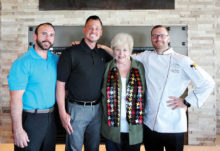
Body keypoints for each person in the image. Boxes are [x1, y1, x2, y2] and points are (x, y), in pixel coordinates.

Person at [133, 25, 215, 151]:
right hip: (150, 123)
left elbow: (207, 82)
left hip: (173, 123)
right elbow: (123, 57)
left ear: (168, 38)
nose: (158, 38)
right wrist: (104, 48)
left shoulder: (183, 60)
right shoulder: (146, 56)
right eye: (154, 35)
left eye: (162, 35)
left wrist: (187, 101)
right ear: (151, 38)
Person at [56, 15, 112, 151]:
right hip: (76, 110)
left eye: (97, 28)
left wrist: (103, 46)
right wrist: (63, 113)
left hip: (98, 109)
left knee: (93, 147)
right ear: (84, 29)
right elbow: (60, 85)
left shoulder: (102, 54)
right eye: (90, 27)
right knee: (74, 148)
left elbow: (122, 57)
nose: (94, 31)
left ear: (101, 32)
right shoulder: (70, 53)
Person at [7, 23, 59, 151]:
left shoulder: (56, 60)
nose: (48, 38)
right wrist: (17, 129)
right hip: (30, 119)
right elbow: (15, 99)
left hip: (51, 118)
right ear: (34, 36)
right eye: (44, 34)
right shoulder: (22, 62)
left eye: (51, 35)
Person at [101, 33, 146, 151]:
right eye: (117, 50)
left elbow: (145, 94)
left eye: (125, 50)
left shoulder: (139, 67)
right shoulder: (107, 68)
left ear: (130, 50)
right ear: (113, 51)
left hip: (134, 128)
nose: (121, 54)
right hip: (112, 128)